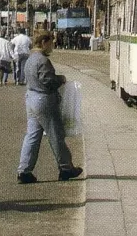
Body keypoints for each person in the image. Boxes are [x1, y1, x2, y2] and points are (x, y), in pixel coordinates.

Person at [16, 30, 82, 184]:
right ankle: (66, 168)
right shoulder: (42, 60)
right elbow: (48, 81)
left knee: (32, 136)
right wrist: (61, 79)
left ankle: (24, 171)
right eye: (51, 43)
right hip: (44, 100)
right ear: (44, 43)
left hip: (31, 98)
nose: (53, 46)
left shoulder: (31, 58)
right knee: (56, 135)